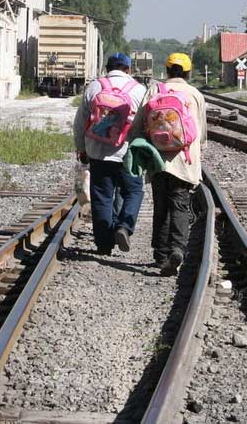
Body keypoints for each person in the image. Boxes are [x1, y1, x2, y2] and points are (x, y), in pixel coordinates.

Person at [131, 53, 207, 276]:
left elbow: (138, 123)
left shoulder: (155, 90)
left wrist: (135, 147)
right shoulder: (195, 94)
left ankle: (161, 254)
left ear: (166, 70)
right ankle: (177, 248)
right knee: (180, 204)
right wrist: (198, 149)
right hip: (183, 159)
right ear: (187, 72)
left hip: (157, 158)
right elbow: (200, 132)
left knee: (160, 206)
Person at [73, 53, 147, 255]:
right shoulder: (139, 90)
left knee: (102, 196)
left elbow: (80, 122)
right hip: (127, 153)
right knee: (134, 191)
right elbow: (145, 124)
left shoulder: (94, 87)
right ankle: (124, 226)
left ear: (107, 68)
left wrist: (81, 148)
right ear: (128, 69)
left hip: (98, 151)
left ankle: (104, 244)